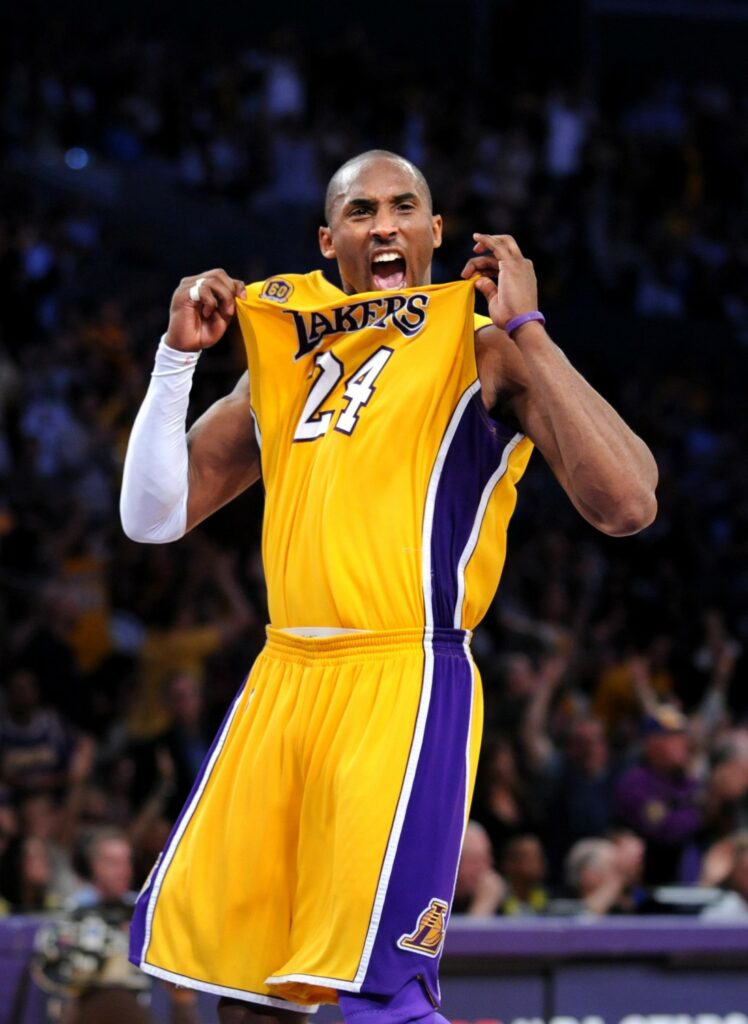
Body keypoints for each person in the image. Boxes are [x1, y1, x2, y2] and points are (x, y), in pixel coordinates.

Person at [119, 150, 657, 1024]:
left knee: (384, 999)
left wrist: (532, 330)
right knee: (249, 997)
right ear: (328, 239)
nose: (383, 225)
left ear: (434, 232)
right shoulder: (283, 362)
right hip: (283, 677)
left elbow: (629, 503)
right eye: (360, 211)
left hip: (404, 676)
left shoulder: (482, 351)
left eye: (403, 207)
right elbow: (152, 517)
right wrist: (176, 358)